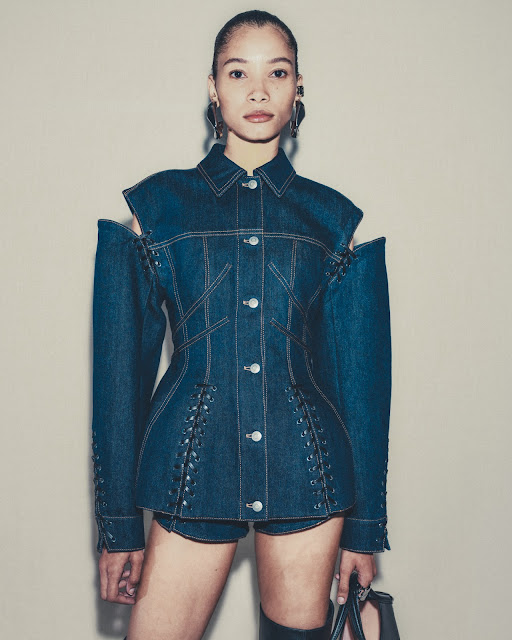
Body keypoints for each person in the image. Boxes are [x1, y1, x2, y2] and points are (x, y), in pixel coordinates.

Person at [91, 10, 392, 640]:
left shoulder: (333, 220)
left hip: (309, 472)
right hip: (190, 468)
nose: (258, 91)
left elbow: (362, 388)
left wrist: (365, 529)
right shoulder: (156, 209)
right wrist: (118, 526)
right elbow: (118, 378)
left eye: (276, 73)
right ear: (213, 87)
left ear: (298, 86)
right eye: (238, 73)